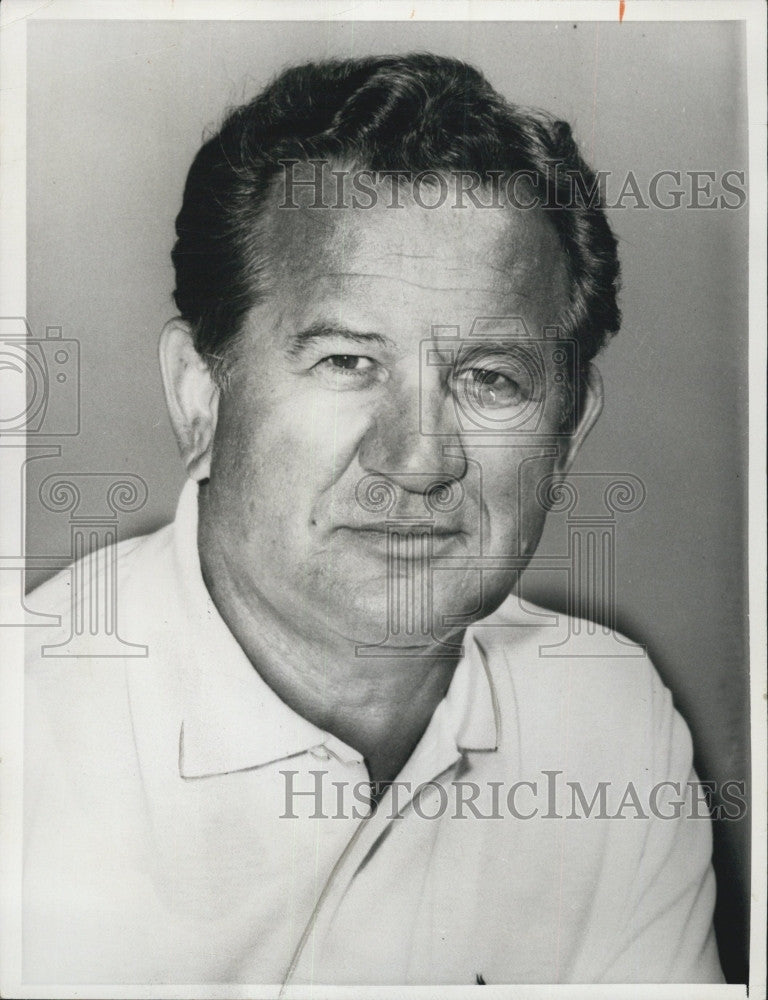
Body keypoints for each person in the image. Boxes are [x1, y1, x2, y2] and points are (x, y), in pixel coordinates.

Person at [23, 54, 723, 985]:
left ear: (568, 432)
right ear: (199, 395)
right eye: (349, 362)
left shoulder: (606, 724)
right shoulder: (22, 743)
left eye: (490, 379)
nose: (418, 459)